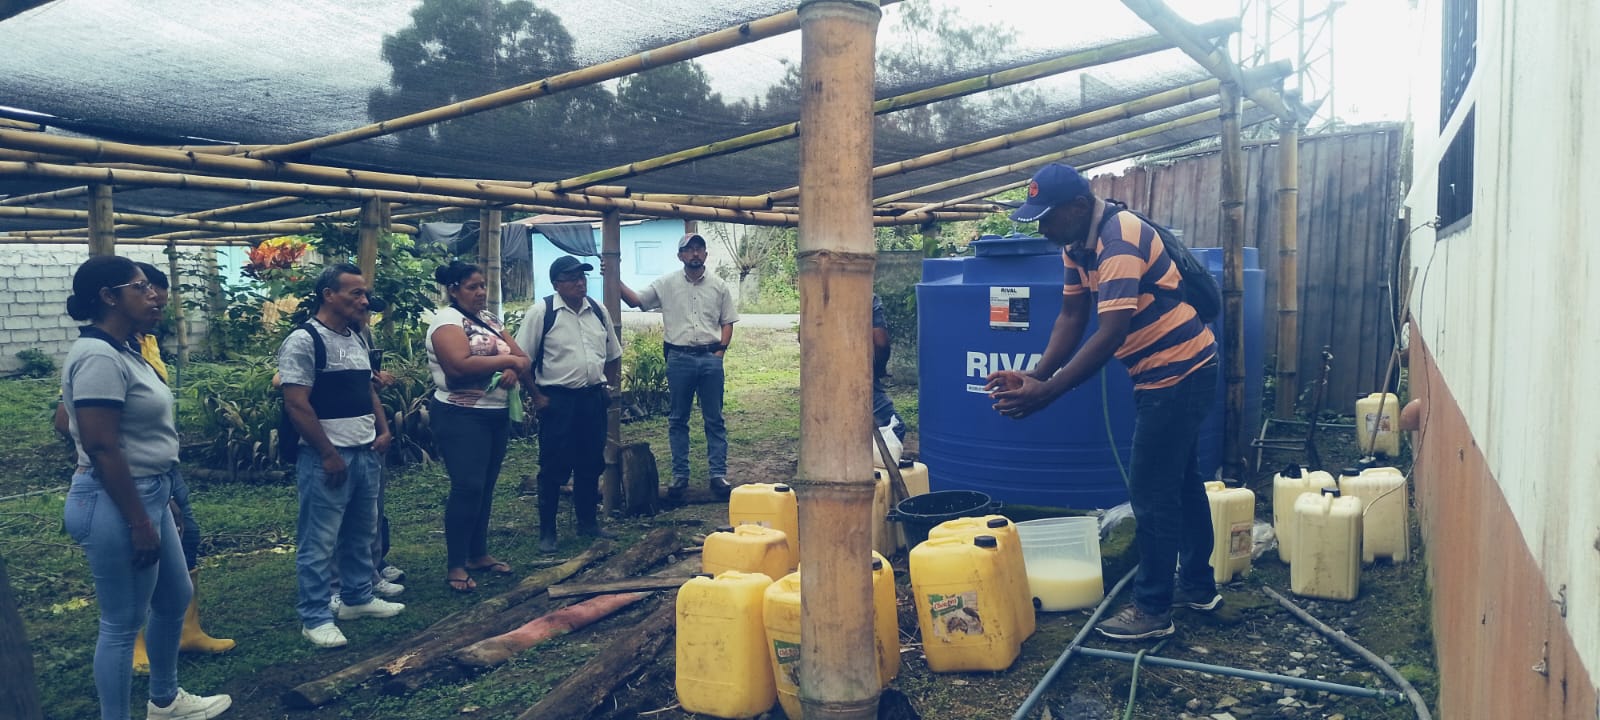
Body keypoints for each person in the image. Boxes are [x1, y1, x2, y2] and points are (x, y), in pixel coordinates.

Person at [985, 163, 1221, 641]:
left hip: (1180, 372)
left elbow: (1111, 332)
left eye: (1046, 217)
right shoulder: (1076, 243)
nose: (1042, 229)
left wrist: (1047, 393)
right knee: (1180, 481)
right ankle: (1198, 587)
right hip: (1161, 373)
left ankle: (1153, 609)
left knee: (1152, 491)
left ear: (1077, 206)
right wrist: (1036, 375)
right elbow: (1072, 315)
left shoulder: (1119, 238)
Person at [60, 255, 231, 719]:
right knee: (121, 623)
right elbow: (101, 445)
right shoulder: (98, 356)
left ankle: (165, 700)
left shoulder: (124, 350)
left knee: (174, 597)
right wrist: (138, 520)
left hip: (147, 493)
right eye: (140, 287)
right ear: (108, 297)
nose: (153, 295)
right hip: (114, 501)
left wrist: (161, 498)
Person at [278, 264, 403, 648]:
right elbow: (296, 404)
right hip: (328, 459)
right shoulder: (303, 341)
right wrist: (327, 453)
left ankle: (357, 597)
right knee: (319, 541)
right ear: (328, 295)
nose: (364, 301)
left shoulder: (357, 336)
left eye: (365, 293)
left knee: (361, 532)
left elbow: (367, 390)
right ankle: (315, 617)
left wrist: (382, 430)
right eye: (355, 293)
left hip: (366, 452)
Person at [425, 260, 530, 592]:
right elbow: (458, 367)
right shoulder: (447, 322)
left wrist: (512, 368)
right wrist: (507, 361)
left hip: (494, 413)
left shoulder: (490, 320)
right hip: (460, 415)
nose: (481, 292)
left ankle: (478, 554)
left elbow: (523, 359)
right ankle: (456, 564)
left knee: (484, 486)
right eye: (473, 287)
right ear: (454, 290)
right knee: (467, 486)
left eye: (483, 285)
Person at [613, 233, 738, 500]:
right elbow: (636, 301)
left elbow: (728, 321)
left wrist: (719, 353)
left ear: (706, 254)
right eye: (689, 250)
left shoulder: (719, 286)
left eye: (699, 249)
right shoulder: (666, 284)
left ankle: (718, 475)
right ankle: (680, 476)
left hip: (710, 358)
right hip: (679, 358)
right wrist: (613, 277)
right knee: (678, 419)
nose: (695, 253)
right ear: (680, 255)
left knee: (714, 419)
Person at [514, 256, 624, 553]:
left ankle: (587, 523)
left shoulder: (598, 311)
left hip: (592, 399)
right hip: (558, 401)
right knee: (553, 464)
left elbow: (613, 355)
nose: (579, 283)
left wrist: (607, 386)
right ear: (556, 284)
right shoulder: (543, 312)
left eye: (582, 277)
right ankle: (547, 531)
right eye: (572, 278)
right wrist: (537, 397)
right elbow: (522, 360)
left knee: (591, 461)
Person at [871, 293, 905, 441]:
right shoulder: (865, 296)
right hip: (855, 374)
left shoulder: (812, 293)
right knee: (894, 429)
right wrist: (878, 370)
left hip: (816, 376)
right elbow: (880, 343)